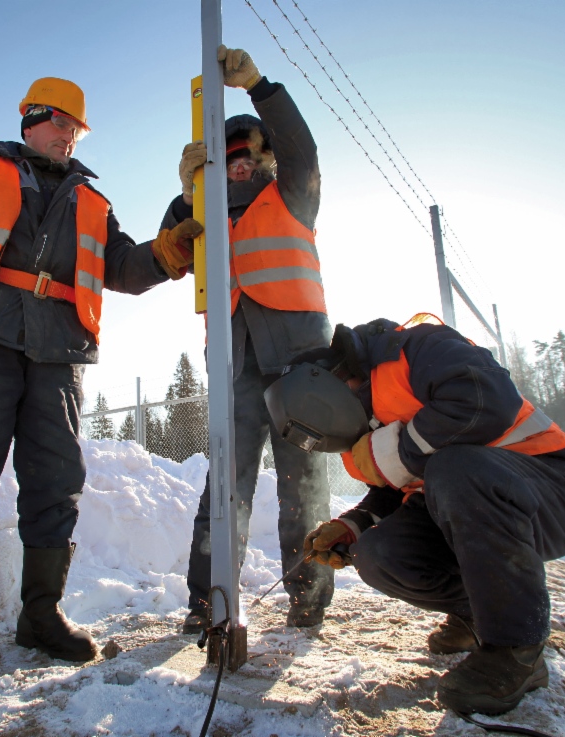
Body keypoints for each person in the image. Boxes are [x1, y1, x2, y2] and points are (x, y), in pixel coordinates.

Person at [0, 76, 201, 697]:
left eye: (75, 127)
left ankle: (40, 616)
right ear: (30, 119)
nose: (67, 134)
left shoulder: (92, 201)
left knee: (56, 483)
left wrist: (169, 248)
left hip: (58, 354)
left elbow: (122, 267)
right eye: (58, 122)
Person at [270, 315, 565, 715]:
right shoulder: (372, 421)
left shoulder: (417, 347)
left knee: (454, 467)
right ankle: (478, 616)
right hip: (474, 500)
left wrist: (398, 453)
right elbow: (398, 490)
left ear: (328, 385)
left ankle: (518, 649)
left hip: (558, 489)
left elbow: (486, 401)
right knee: (379, 554)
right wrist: (352, 525)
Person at [162, 46, 335, 632]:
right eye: (228, 156)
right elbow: (171, 249)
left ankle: (308, 596)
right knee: (225, 489)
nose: (240, 164)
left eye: (251, 154)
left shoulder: (293, 196)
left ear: (267, 160)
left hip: (302, 369)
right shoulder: (203, 213)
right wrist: (188, 192)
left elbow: (302, 150)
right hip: (234, 370)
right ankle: (208, 599)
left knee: (303, 484)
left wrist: (260, 87)